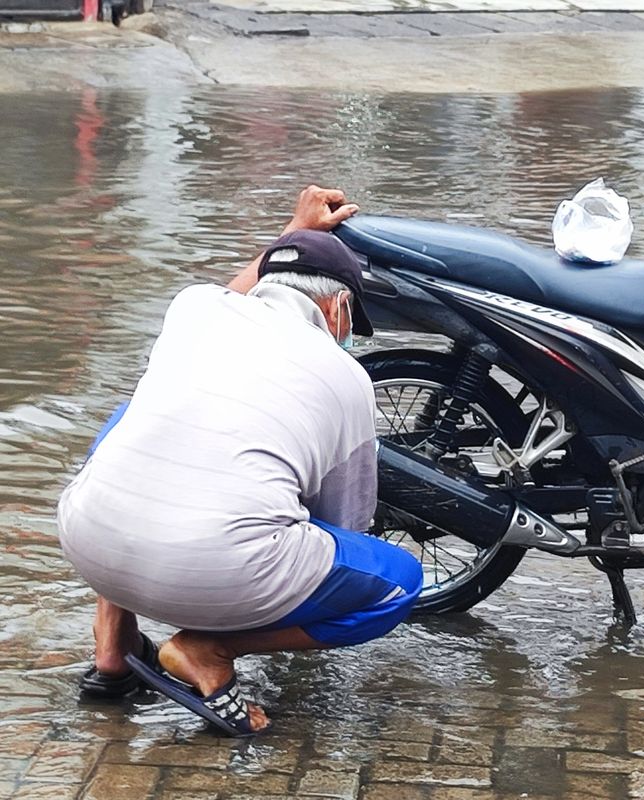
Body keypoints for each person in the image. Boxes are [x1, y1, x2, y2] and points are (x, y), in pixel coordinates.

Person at [57, 186, 422, 736]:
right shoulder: (347, 378)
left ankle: (112, 647)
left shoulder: (194, 308)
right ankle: (207, 648)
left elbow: (248, 284)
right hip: (217, 567)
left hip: (84, 539)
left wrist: (296, 233)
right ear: (338, 306)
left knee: (136, 419)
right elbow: (344, 524)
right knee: (400, 583)